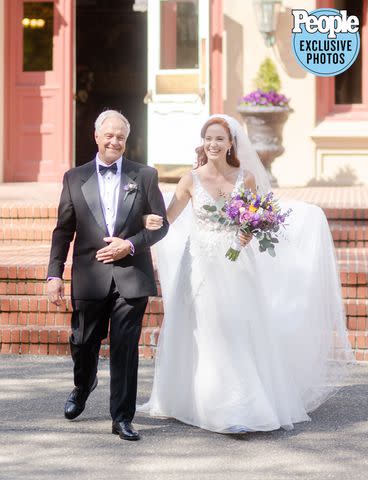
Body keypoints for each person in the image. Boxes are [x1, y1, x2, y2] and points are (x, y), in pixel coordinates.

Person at [138, 114, 354, 434]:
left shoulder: (246, 177)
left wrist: (247, 234)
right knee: (203, 331)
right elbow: (167, 220)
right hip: (199, 266)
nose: (213, 144)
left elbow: (254, 218)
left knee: (236, 330)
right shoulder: (190, 180)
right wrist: (150, 222)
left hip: (236, 263)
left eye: (219, 139)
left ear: (230, 144)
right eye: (208, 138)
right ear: (203, 143)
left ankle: (238, 406)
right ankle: (194, 400)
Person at [47, 110, 169, 441]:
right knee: (84, 342)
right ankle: (83, 384)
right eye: (109, 136)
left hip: (132, 275)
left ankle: (122, 418)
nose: (115, 141)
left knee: (125, 348)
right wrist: (53, 274)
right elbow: (63, 230)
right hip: (90, 275)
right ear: (97, 137)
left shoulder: (144, 176)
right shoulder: (74, 178)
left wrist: (129, 245)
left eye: (121, 137)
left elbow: (161, 225)